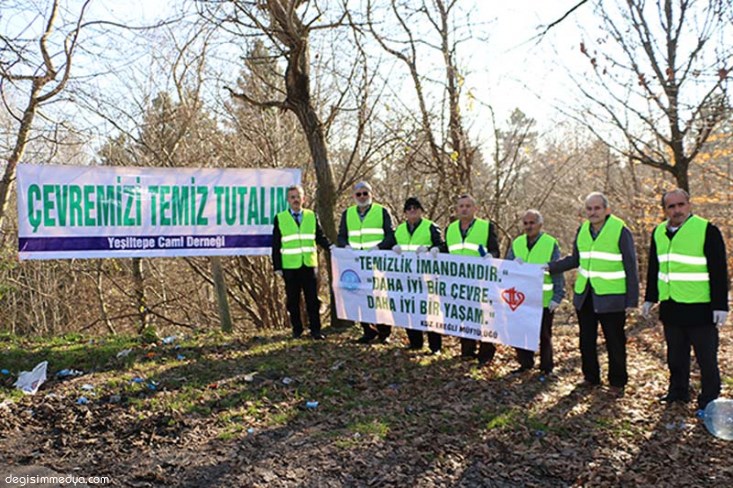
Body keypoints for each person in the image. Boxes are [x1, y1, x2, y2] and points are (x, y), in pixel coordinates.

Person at [642, 189, 729, 410]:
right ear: (665, 210)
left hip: (701, 308)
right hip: (671, 306)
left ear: (689, 205)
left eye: (681, 204)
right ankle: (678, 393)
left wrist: (721, 305)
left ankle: (709, 400)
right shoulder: (659, 232)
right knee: (676, 357)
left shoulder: (707, 230)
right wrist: (650, 297)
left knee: (706, 359)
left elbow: (719, 270)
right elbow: (654, 267)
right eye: (671, 206)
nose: (677, 210)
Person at [548, 192, 638, 394]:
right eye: (589, 208)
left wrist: (632, 300)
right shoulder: (582, 230)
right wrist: (550, 267)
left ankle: (617, 382)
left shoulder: (620, 230)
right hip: (585, 295)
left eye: (597, 208)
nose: (593, 212)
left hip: (612, 297)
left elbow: (631, 265)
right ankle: (591, 378)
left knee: (615, 342)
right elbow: (575, 260)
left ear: (607, 210)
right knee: (586, 341)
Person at [442, 194, 500, 365]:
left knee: (484, 318)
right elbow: (447, 249)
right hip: (458, 282)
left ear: (475, 209)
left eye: (468, 206)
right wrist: (434, 250)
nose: (464, 209)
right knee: (465, 316)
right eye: (461, 206)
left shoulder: (486, 227)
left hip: (481, 282)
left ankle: (486, 354)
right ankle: (467, 351)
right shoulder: (451, 228)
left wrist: (491, 257)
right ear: (456, 209)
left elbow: (495, 250)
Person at [505, 209, 564, 375]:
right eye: (525, 223)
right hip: (521, 298)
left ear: (540, 224)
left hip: (543, 299)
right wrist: (512, 263)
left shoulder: (549, 243)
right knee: (521, 333)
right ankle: (525, 364)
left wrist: (558, 296)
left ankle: (546, 367)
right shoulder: (517, 243)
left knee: (544, 335)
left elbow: (557, 270)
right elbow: (507, 267)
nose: (528, 226)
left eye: (532, 223)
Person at [337, 181, 396, 344]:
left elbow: (391, 235)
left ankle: (384, 332)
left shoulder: (382, 211)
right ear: (353, 196)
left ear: (371, 194)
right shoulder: (347, 213)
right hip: (356, 263)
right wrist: (346, 246)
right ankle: (367, 330)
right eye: (359, 194)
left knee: (380, 298)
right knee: (360, 296)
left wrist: (379, 247)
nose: (362, 197)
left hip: (377, 261)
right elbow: (341, 236)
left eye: (365, 193)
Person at [271, 185, 331, 339]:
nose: (295, 200)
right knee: (293, 300)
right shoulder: (280, 218)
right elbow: (276, 244)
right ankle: (297, 330)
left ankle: (316, 330)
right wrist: (277, 266)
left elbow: (320, 237)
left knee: (312, 299)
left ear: (303, 198)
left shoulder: (311, 216)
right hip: (290, 266)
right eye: (292, 197)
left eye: (298, 196)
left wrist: (332, 248)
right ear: (288, 200)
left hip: (309, 264)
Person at [392, 197, 444, 354]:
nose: (412, 210)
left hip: (427, 277)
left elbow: (442, 245)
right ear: (405, 213)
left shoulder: (431, 227)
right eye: (409, 208)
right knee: (409, 308)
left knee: (430, 311)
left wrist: (430, 249)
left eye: (415, 207)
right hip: (406, 277)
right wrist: (392, 248)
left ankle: (435, 347)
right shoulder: (399, 229)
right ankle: (415, 343)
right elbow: (389, 244)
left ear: (421, 210)